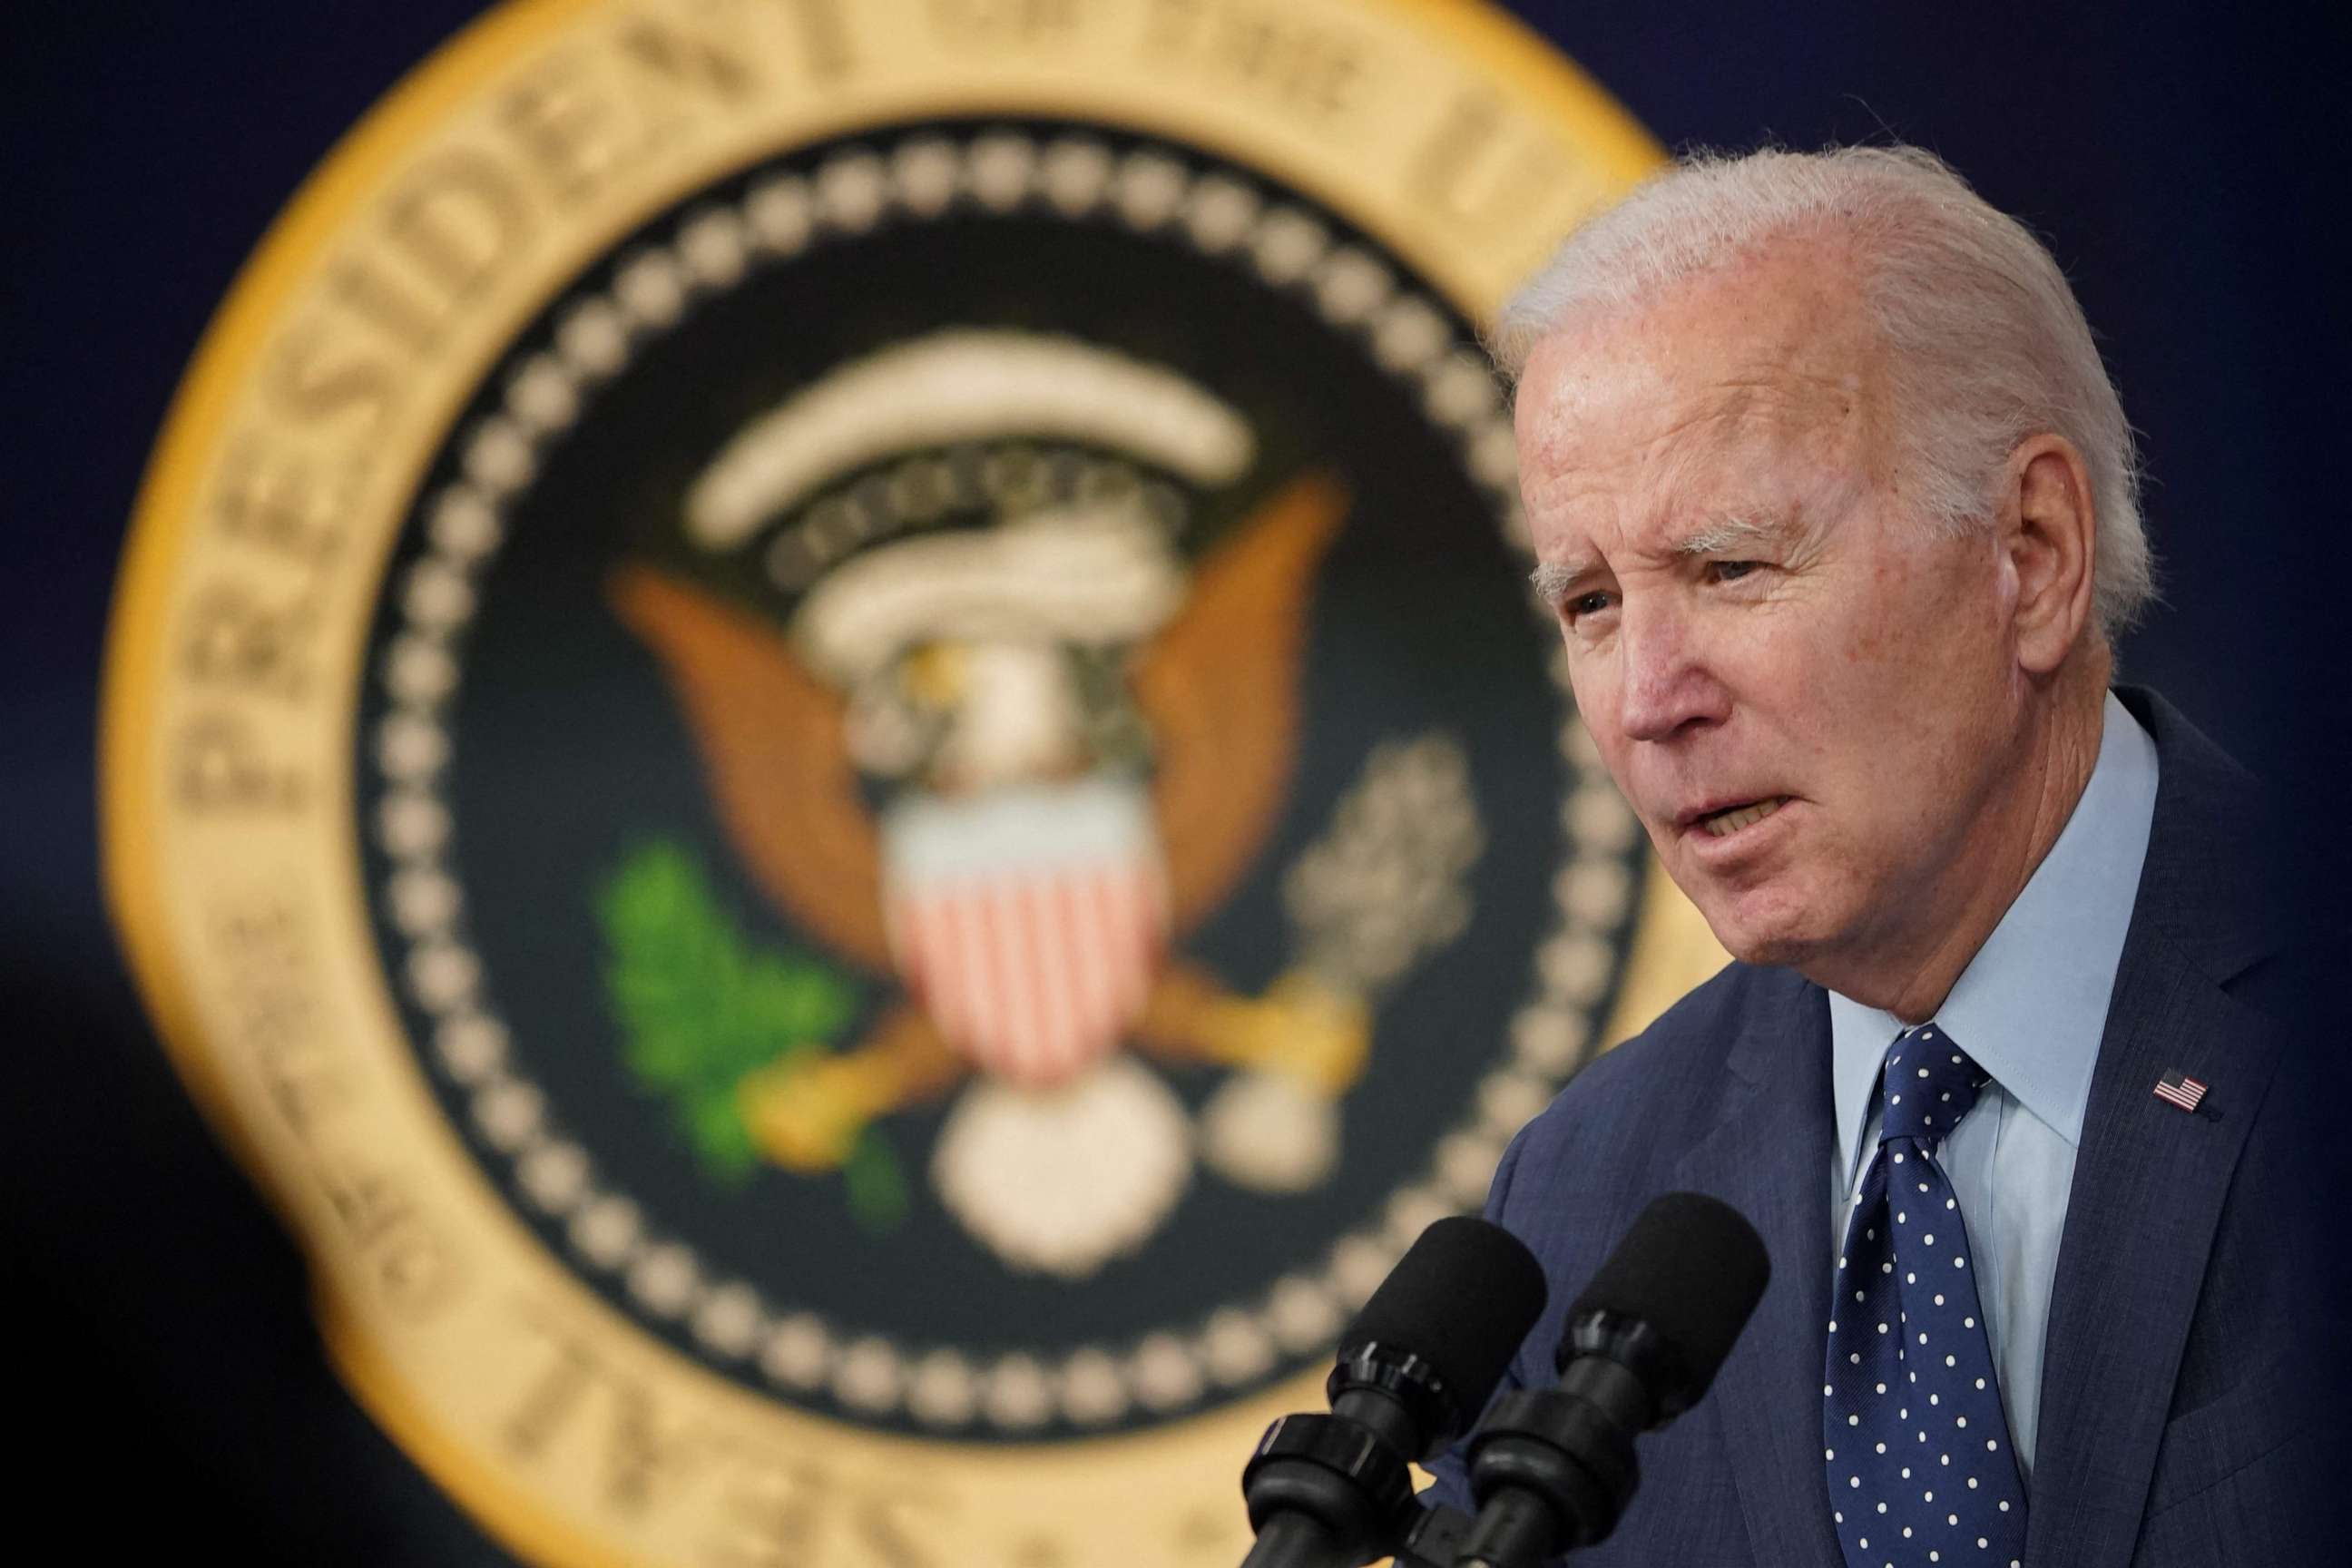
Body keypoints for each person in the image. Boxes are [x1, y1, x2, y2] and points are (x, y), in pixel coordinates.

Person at [1424, 145, 2342, 1566]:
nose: (1649, 697)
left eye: (1730, 567)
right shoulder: (1587, 1195)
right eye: (1593, 602)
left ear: (2030, 554)